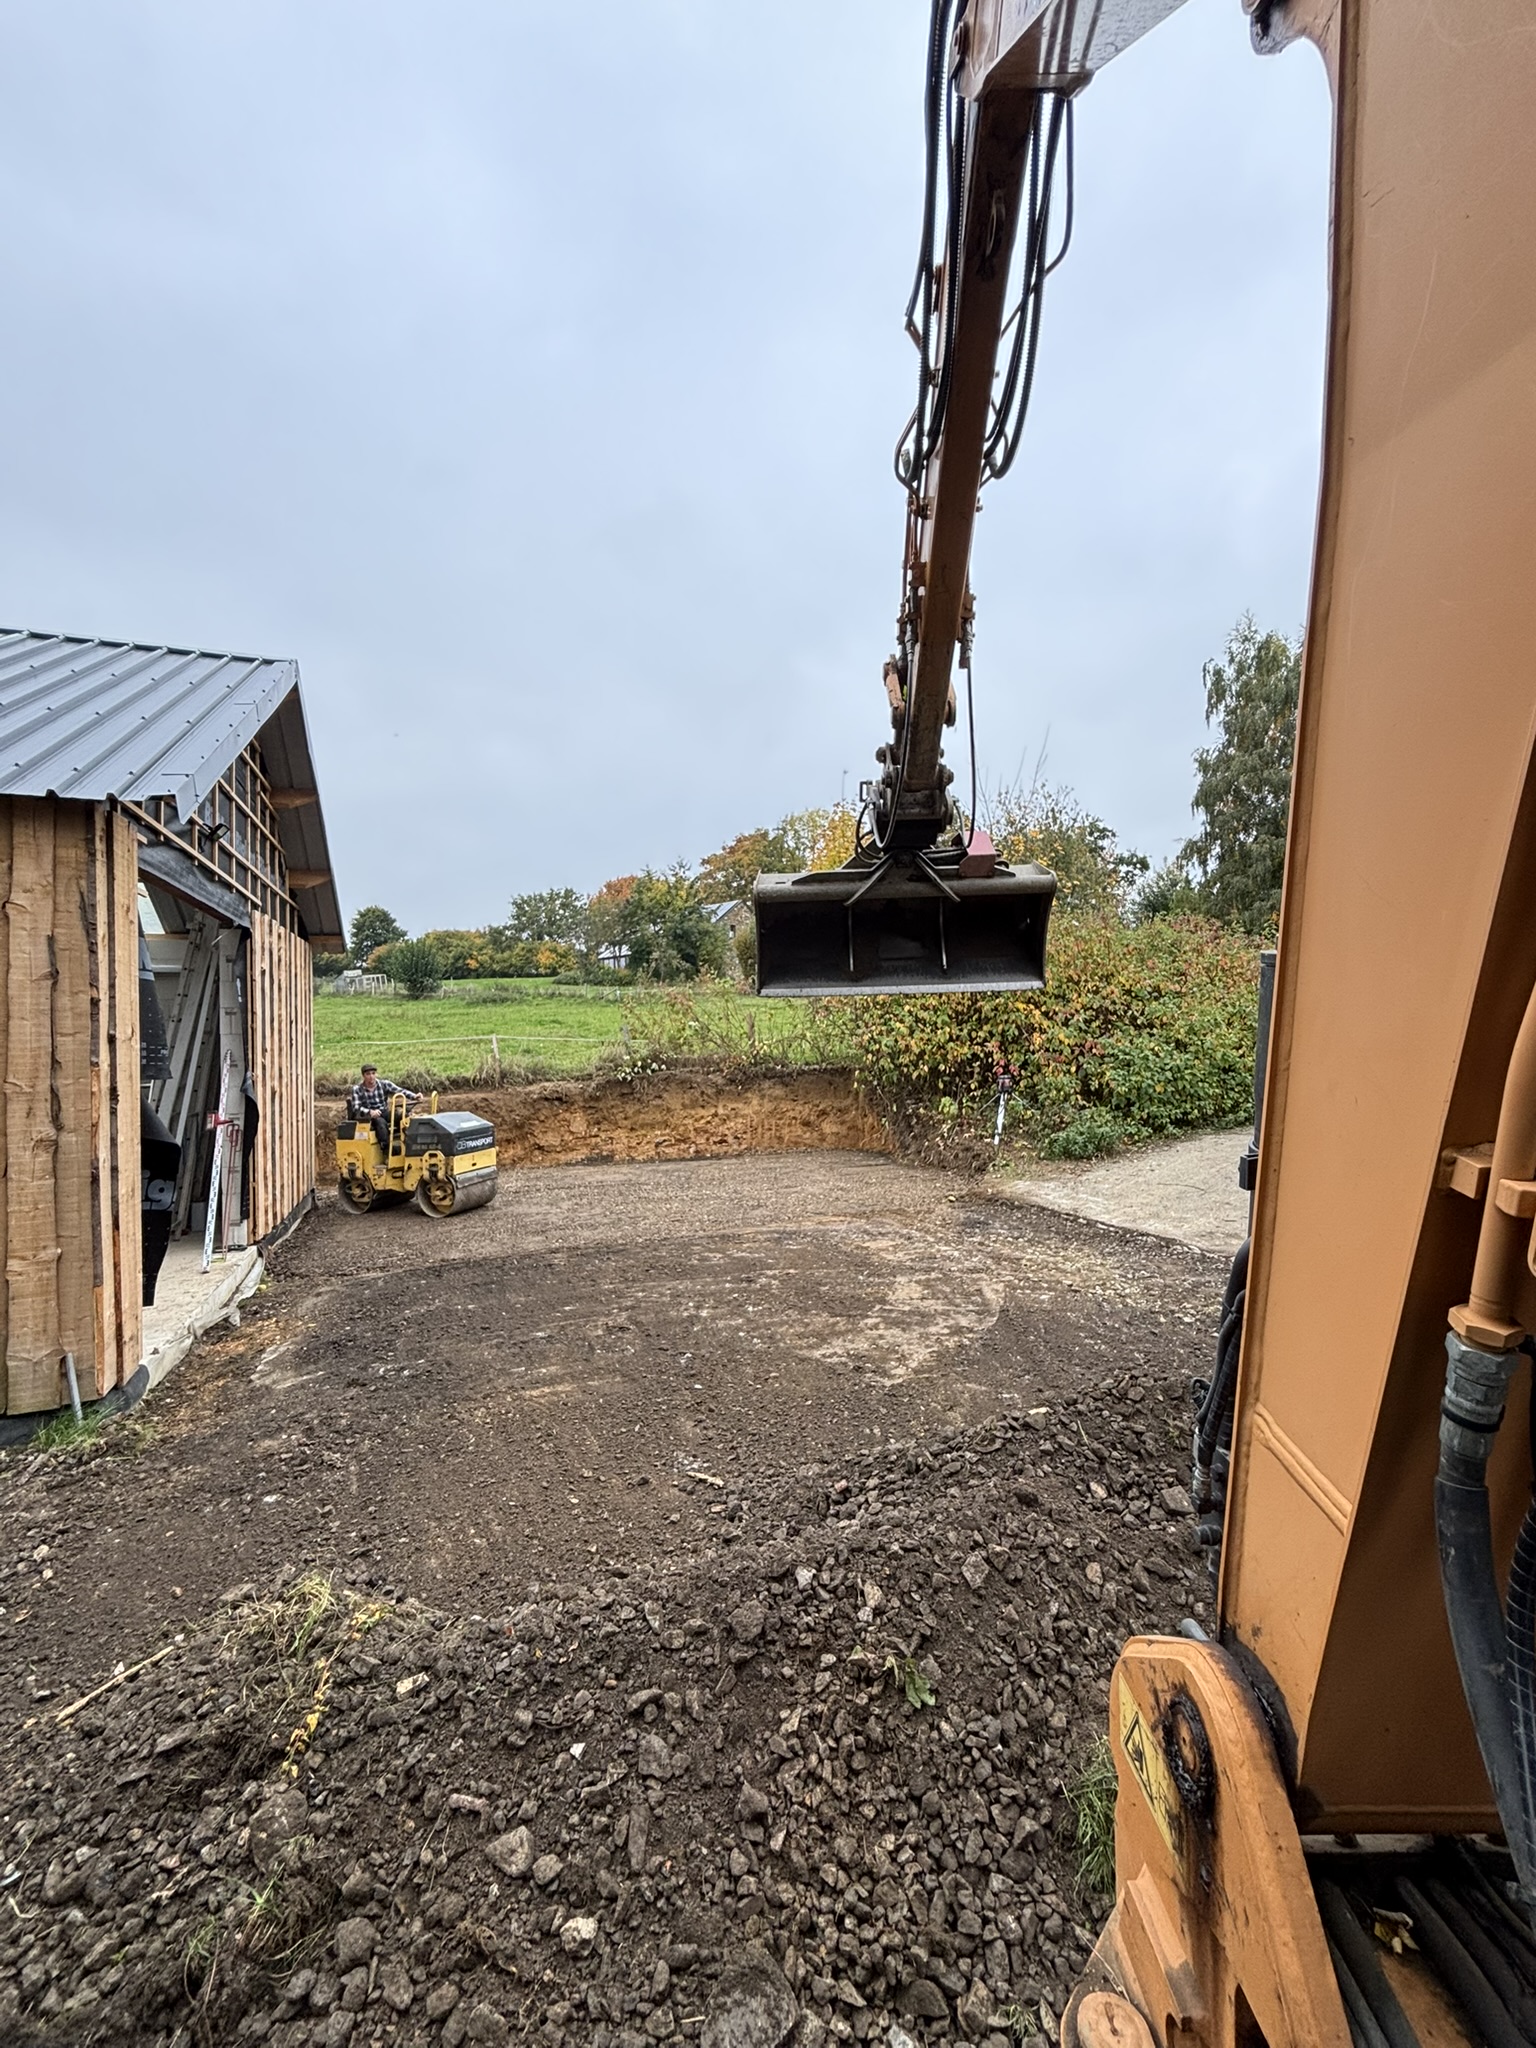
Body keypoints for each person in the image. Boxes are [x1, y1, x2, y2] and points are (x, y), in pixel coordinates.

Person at [347, 1064, 418, 1154]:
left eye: (373, 1073)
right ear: (363, 1076)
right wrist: (370, 1112)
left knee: (402, 1115)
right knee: (381, 1123)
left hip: (383, 1111)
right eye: (368, 1074)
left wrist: (414, 1096)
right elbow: (356, 1107)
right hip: (370, 1117)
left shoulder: (384, 1084)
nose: (371, 1076)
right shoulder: (357, 1089)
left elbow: (400, 1091)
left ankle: (409, 1142)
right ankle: (387, 1148)